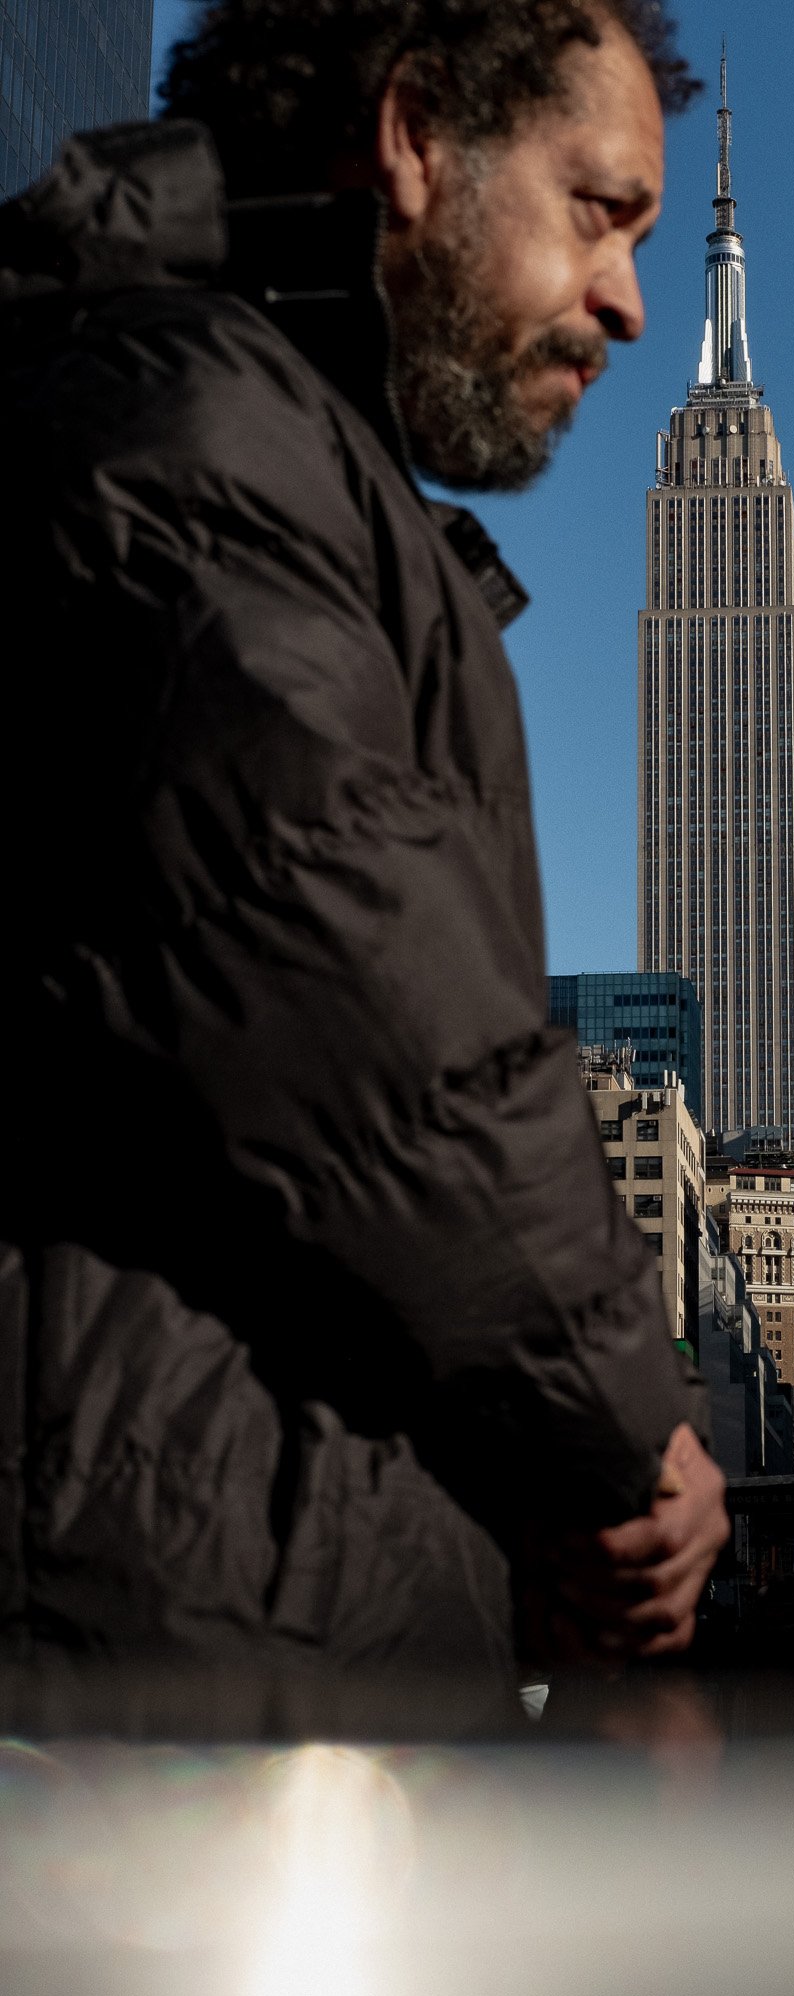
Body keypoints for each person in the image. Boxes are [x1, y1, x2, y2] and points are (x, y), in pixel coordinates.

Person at [0, 0, 728, 1718]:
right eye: (598, 211)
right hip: (156, 1691)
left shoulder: (269, 449)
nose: (628, 298)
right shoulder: (180, 432)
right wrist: (637, 1440)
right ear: (413, 138)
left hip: (247, 1616)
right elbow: (379, 1011)